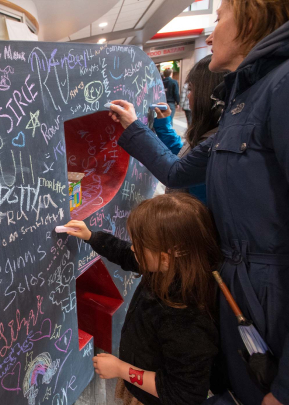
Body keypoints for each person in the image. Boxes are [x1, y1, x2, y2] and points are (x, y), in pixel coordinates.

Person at [107, 1, 289, 404]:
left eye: (220, 17)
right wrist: (136, 128)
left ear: (253, 15)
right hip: (236, 294)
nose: (211, 32)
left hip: (267, 303)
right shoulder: (244, 102)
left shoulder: (279, 88)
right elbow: (177, 171)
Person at [63, 193, 220, 405]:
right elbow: (125, 254)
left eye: (139, 246)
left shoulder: (188, 318)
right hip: (140, 379)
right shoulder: (171, 268)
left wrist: (120, 368)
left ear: (165, 257)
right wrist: (91, 236)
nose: (133, 248)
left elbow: (184, 394)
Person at [151, 55, 225, 204]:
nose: (189, 96)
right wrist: (164, 125)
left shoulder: (219, 143)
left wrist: (133, 128)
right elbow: (185, 157)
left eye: (191, 89)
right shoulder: (212, 135)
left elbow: (179, 171)